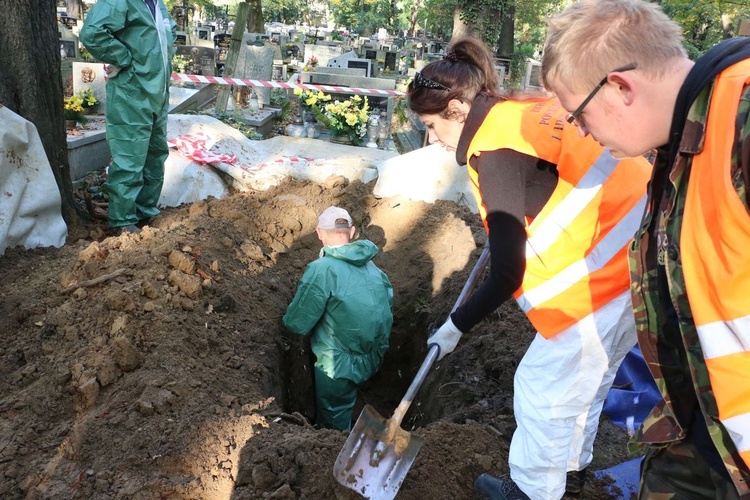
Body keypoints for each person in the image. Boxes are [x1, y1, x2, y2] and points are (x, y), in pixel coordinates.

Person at [409, 37, 652, 499]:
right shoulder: (518, 110)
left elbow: (506, 272)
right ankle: (570, 472)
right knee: (590, 374)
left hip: (599, 270)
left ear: (458, 109)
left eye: (432, 126)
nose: (434, 140)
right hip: (639, 252)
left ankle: (531, 491)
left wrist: (456, 325)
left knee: (540, 387)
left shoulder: (495, 152)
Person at [541, 0, 750, 497]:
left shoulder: (740, 125)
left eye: (579, 117)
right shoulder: (681, 145)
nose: (584, 135)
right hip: (705, 433)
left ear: (619, 86)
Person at [282, 207, 393, 431]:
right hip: (373, 356)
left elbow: (297, 322)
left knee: (334, 419)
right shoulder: (374, 268)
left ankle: (335, 442)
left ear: (319, 233)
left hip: (337, 365)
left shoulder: (322, 270)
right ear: (351, 232)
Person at [80, 0, 176, 235]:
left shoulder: (157, 4)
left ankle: (145, 214)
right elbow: (92, 32)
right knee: (129, 159)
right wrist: (122, 58)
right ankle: (123, 222)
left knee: (155, 156)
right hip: (130, 93)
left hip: (158, 94)